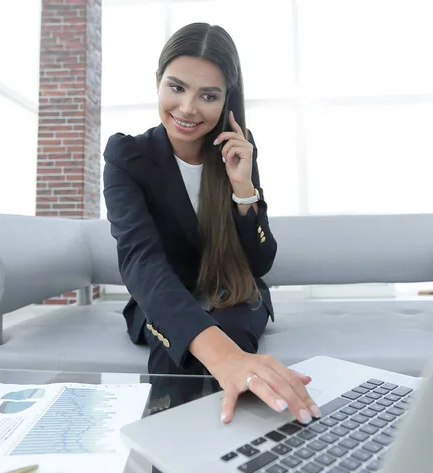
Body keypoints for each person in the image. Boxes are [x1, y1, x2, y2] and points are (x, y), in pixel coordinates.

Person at [102, 22, 320, 426]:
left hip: (234, 291)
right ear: (157, 82)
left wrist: (243, 190)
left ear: (226, 101)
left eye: (208, 95)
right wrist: (221, 355)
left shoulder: (238, 148)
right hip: (165, 295)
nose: (187, 108)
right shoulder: (127, 155)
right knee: (179, 348)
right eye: (177, 87)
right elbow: (140, 260)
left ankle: (251, 455)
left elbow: (260, 262)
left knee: (236, 337)